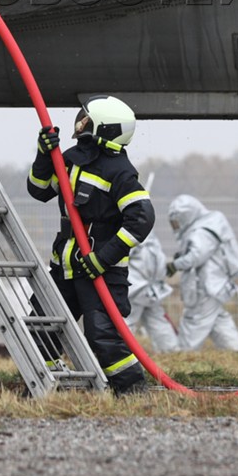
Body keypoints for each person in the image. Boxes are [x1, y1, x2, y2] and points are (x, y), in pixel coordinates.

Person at [27, 95, 155, 394]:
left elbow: (141, 218)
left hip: (102, 271)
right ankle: (42, 388)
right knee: (43, 327)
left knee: (102, 336)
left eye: (86, 118)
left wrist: (102, 258)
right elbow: (39, 190)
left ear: (103, 128)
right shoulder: (72, 158)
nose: (80, 122)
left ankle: (132, 393)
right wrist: (44, 156)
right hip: (65, 266)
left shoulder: (119, 171)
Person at [164, 195, 238, 352]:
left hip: (205, 286)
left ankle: (184, 355)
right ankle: (235, 350)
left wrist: (175, 265)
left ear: (186, 216)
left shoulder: (202, 231)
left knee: (195, 320)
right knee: (218, 320)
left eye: (177, 222)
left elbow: (196, 256)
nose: (176, 227)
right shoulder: (209, 224)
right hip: (213, 284)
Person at [125, 231, 180, 353]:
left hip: (138, 288)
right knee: (157, 320)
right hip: (148, 288)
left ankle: (119, 352)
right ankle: (170, 350)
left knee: (127, 321)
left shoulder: (134, 235)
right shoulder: (148, 237)